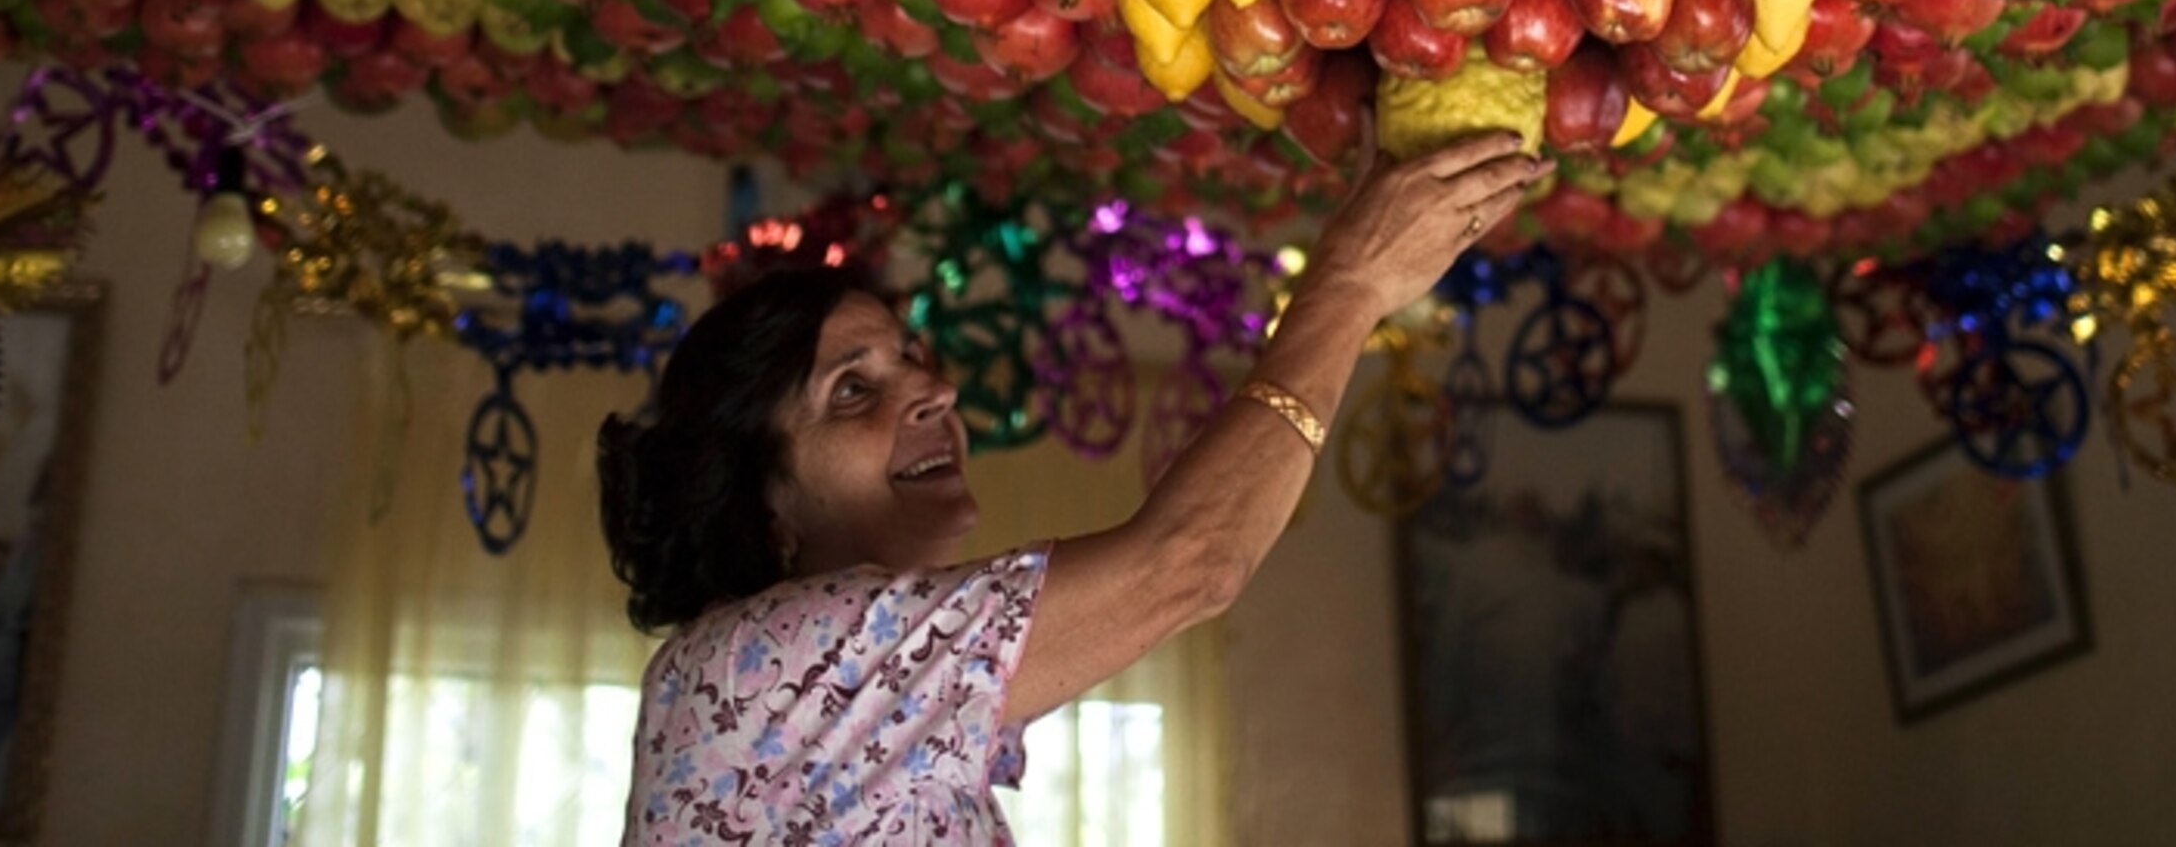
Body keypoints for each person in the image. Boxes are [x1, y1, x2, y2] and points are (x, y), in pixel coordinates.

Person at [598, 127, 1543, 846]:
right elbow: (1189, 564)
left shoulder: (861, 689)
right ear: (760, 498)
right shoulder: (755, 669)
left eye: (913, 359)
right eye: (854, 391)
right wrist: (1346, 286)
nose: (934, 389)